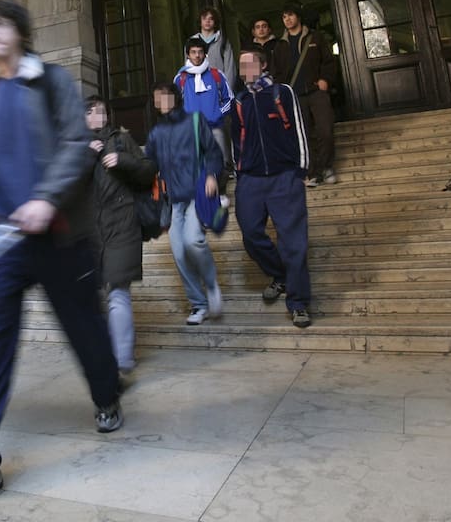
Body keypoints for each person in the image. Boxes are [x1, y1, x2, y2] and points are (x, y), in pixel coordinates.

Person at [0, 0, 122, 516]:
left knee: (84, 326)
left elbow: (75, 142)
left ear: (19, 32)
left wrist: (45, 198)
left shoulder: (51, 81)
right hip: (0, 238)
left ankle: (106, 394)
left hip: (56, 233)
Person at [231, 49, 314, 328]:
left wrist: (300, 171)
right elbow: (236, 141)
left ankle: (299, 302)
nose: (246, 69)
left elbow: (299, 130)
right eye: (242, 66)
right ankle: (280, 275)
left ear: (264, 64)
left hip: (284, 176)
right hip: (251, 179)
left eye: (251, 63)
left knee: (294, 242)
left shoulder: (282, 92)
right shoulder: (239, 100)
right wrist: (239, 174)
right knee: (251, 234)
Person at [144, 81, 226, 326]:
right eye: (157, 98)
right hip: (173, 202)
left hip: (196, 196)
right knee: (179, 252)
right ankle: (198, 304)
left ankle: (211, 285)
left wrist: (211, 174)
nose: (162, 101)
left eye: (165, 96)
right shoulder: (156, 134)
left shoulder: (195, 120)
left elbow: (213, 152)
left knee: (193, 240)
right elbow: (147, 167)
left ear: (175, 97)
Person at [85, 95, 156, 375]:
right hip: (90, 230)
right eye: (91, 111)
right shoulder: (77, 146)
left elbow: (149, 171)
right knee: (94, 297)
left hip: (122, 222)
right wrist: (86, 154)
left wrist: (123, 160)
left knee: (117, 292)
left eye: (101, 109)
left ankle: (122, 359)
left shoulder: (121, 139)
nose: (97, 114)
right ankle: (104, 353)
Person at [273, 0, 338, 187]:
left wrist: (325, 79)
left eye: (290, 15)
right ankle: (313, 172)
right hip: (294, 96)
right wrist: (281, 93)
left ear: (298, 17)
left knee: (325, 130)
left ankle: (326, 167)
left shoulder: (315, 37)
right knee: (303, 135)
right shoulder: (280, 45)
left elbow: (329, 61)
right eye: (284, 17)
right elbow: (276, 74)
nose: (287, 19)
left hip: (316, 92)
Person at [173, 36, 235, 164]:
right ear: (188, 55)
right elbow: (173, 106)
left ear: (205, 54)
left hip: (215, 128)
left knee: (221, 165)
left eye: (200, 52)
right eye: (193, 52)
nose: (197, 56)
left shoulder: (216, 75)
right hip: (190, 131)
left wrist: (218, 114)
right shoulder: (180, 79)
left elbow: (229, 99)